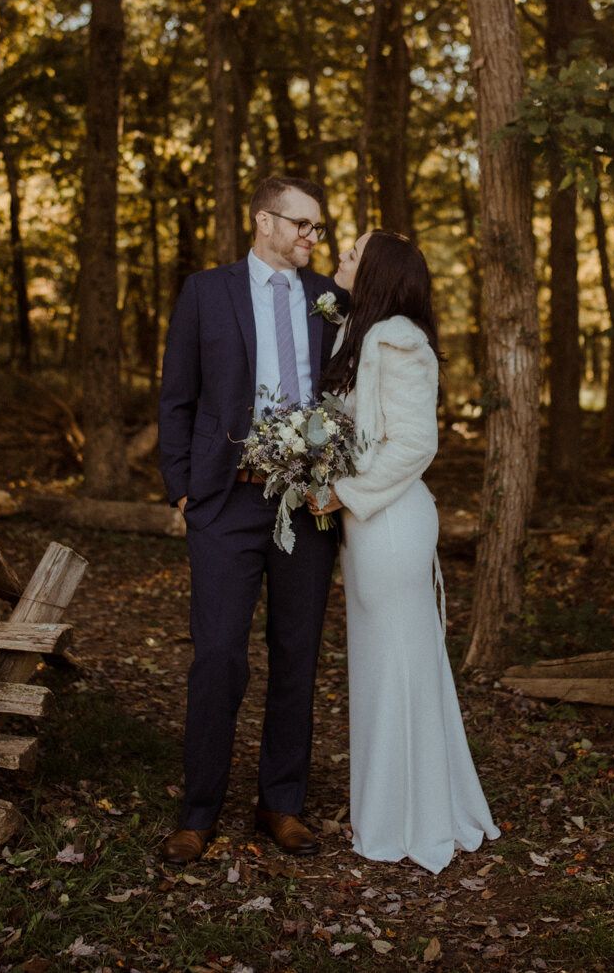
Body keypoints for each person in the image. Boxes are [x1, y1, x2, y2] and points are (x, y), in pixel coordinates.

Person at [155, 175, 347, 864]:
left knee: (297, 653)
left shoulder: (329, 297)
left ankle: (281, 801)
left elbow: (348, 391)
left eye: (318, 228)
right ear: (264, 221)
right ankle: (198, 809)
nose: (312, 237)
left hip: (308, 500)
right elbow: (176, 394)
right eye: (303, 224)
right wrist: (182, 489)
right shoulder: (206, 291)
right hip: (224, 498)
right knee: (219, 656)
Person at [319, 229, 497, 872]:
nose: (340, 257)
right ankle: (389, 806)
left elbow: (416, 444)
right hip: (368, 524)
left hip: (391, 520)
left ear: (380, 272)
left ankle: (410, 817)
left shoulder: (400, 341)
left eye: (352, 252)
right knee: (378, 666)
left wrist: (342, 492)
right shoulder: (358, 334)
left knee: (399, 666)